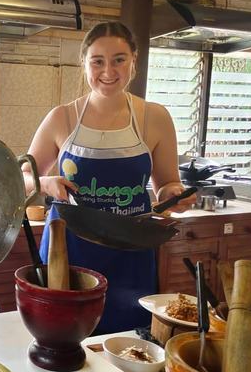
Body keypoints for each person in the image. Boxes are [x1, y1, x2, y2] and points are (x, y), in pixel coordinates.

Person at [22, 21, 196, 334]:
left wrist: (174, 194)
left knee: (129, 341)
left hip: (130, 250)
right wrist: (45, 183)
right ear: (84, 64)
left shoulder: (154, 118)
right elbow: (22, 174)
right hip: (68, 249)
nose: (108, 71)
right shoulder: (62, 117)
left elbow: (167, 183)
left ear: (134, 61)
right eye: (98, 61)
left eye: (119, 59)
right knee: (64, 336)